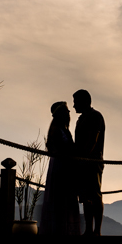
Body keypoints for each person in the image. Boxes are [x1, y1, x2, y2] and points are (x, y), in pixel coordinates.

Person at [38, 101, 82, 237]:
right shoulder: (58, 130)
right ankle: (60, 231)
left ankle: (65, 231)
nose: (69, 113)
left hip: (63, 167)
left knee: (64, 199)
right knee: (61, 199)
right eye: (66, 111)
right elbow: (60, 149)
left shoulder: (62, 130)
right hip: (61, 169)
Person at [73, 89, 105, 237]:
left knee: (95, 195)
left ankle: (96, 231)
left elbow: (93, 140)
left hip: (92, 162)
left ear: (85, 101)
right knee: (86, 198)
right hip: (82, 163)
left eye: (76, 102)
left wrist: (84, 158)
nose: (74, 106)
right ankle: (88, 230)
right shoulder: (81, 119)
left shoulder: (95, 116)